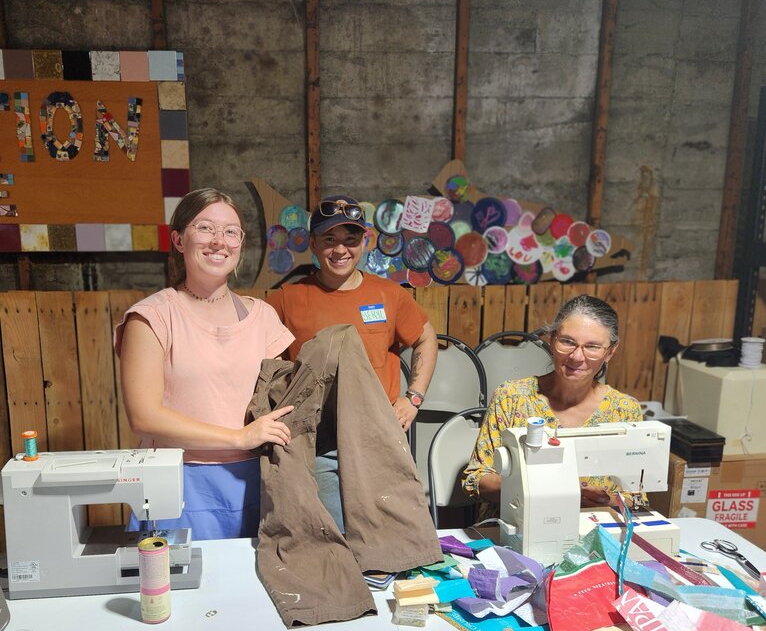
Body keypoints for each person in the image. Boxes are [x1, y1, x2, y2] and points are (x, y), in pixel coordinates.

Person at [114, 188, 296, 540]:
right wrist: (239, 437)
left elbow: (282, 401)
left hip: (256, 479)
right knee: (177, 592)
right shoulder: (152, 317)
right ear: (179, 240)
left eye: (231, 232)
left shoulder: (263, 318)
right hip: (178, 480)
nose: (219, 241)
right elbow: (144, 416)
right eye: (206, 228)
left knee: (255, 590)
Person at [266, 194, 438, 530]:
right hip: (318, 446)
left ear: (365, 242)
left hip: (380, 439)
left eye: (351, 239)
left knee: (391, 536)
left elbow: (425, 338)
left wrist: (413, 397)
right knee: (335, 541)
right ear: (313, 244)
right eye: (329, 239)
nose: (340, 249)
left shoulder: (389, 295)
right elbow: (262, 366)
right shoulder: (286, 300)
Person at [462, 294, 642, 519]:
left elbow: (635, 495)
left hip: (594, 531)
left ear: (610, 352)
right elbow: (476, 479)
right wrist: (542, 491)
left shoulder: (624, 411)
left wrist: (609, 499)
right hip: (514, 529)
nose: (577, 356)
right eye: (567, 341)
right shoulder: (512, 398)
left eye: (593, 347)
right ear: (551, 340)